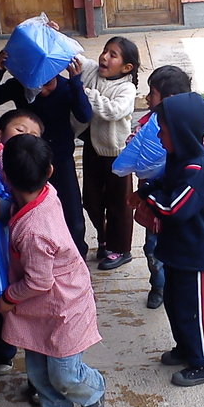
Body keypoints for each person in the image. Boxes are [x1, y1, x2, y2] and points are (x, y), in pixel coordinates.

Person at [0, 134, 106, 407]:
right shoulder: (45, 189)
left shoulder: (34, 232)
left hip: (63, 306)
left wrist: (6, 299)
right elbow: (8, 167)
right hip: (39, 308)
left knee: (65, 374)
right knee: (38, 373)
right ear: (50, 171)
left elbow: (38, 282)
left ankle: (94, 392)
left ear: (9, 180)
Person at [139, 92, 204, 387]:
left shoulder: (199, 170)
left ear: (182, 132)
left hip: (196, 256)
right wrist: (150, 186)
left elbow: (172, 208)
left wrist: (145, 195)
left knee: (196, 310)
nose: (159, 134)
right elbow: (164, 185)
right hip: (177, 250)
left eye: (163, 129)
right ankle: (186, 348)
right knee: (175, 304)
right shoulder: (178, 159)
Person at [0, 50, 91, 257]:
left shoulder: (67, 88)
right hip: (27, 159)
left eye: (48, 84)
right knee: (29, 209)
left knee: (73, 216)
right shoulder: (19, 87)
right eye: (37, 86)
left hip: (60, 159)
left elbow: (85, 114)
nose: (43, 91)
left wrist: (76, 82)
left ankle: (77, 257)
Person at [0, 108, 44, 382]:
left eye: (34, 137)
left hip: (21, 261)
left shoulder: (29, 175)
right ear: (2, 134)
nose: (26, 138)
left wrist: (3, 207)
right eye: (21, 130)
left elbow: (21, 196)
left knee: (25, 311)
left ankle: (37, 372)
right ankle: (2, 351)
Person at [127, 65, 193, 309]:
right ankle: (158, 285)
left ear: (170, 100)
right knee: (152, 248)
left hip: (174, 203)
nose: (147, 97)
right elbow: (136, 146)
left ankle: (176, 287)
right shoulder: (147, 123)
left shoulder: (189, 130)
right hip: (152, 201)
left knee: (175, 249)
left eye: (152, 93)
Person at [73, 37, 140, 270]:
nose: (104, 57)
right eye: (105, 51)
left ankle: (121, 249)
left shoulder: (127, 88)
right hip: (93, 147)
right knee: (91, 199)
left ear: (126, 67)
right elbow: (72, 55)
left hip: (117, 154)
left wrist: (86, 93)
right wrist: (51, 34)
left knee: (119, 204)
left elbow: (113, 111)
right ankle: (103, 239)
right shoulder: (92, 71)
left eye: (113, 55)